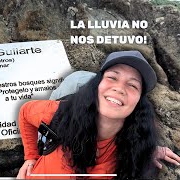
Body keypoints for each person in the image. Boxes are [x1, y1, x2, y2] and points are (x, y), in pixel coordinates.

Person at [16, 51, 180, 179]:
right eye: (112, 77)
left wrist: (145, 150)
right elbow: (25, 112)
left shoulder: (131, 146)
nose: (120, 88)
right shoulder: (60, 115)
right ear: (97, 86)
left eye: (132, 85)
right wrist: (30, 157)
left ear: (138, 104)